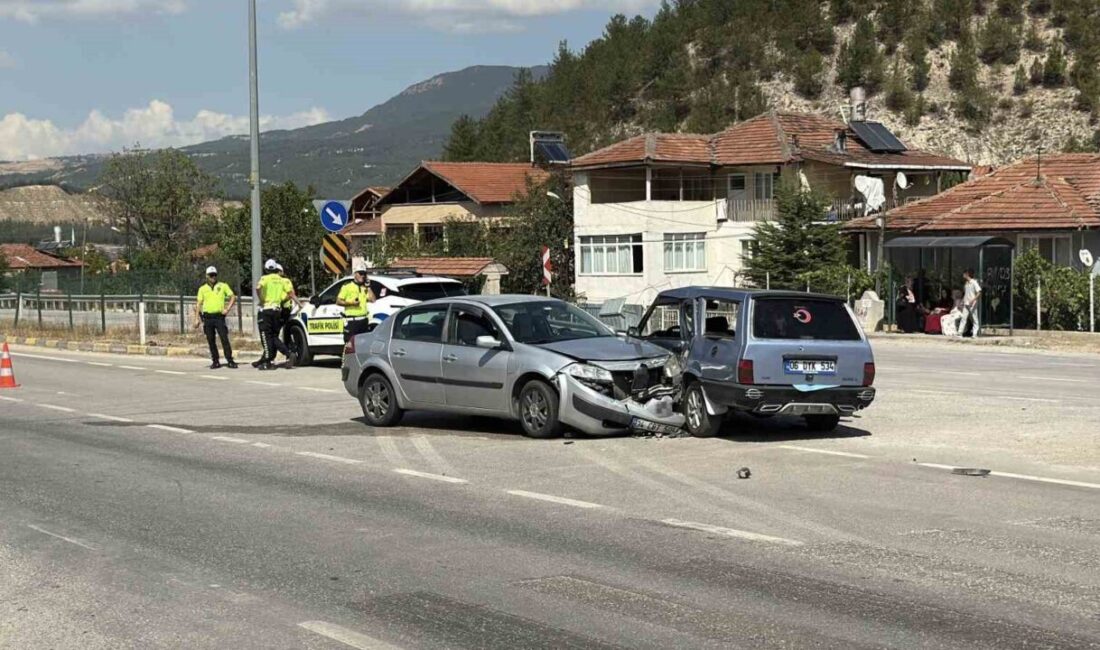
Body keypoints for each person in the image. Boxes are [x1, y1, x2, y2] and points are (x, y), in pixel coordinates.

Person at [254, 259, 295, 370]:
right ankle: (287, 353)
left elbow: (258, 288)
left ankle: (267, 362)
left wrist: (262, 299)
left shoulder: (264, 278)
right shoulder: (281, 280)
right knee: (273, 336)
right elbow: (290, 293)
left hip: (266, 310)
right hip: (277, 311)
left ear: (266, 269)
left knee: (266, 336)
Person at [194, 266, 238, 369]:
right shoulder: (202, 289)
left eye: (214, 275)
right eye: (211, 275)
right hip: (208, 317)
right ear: (207, 276)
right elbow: (199, 304)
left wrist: (227, 309)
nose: (213, 277)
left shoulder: (223, 286)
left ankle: (230, 360)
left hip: (219, 317)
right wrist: (196, 318)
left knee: (224, 338)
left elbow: (232, 297)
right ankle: (215, 361)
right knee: (211, 340)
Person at [337, 266, 375, 343]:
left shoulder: (365, 288)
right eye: (360, 273)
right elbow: (338, 301)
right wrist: (351, 303)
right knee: (350, 346)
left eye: (364, 274)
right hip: (352, 322)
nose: (363, 276)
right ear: (355, 274)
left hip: (363, 321)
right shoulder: (347, 286)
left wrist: (369, 287)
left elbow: (373, 299)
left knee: (363, 346)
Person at [960, 269, 982, 337]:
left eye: (964, 274)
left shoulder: (974, 282)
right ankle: (960, 332)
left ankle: (975, 333)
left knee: (974, 318)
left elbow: (979, 292)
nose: (963, 275)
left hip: (972, 304)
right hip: (966, 303)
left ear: (967, 274)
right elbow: (966, 294)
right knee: (963, 318)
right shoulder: (966, 284)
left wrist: (973, 300)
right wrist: (963, 301)